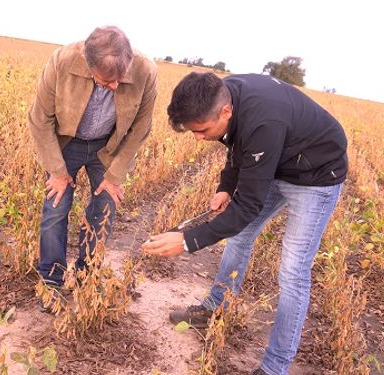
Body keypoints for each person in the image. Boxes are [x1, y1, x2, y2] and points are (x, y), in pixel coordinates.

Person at [142, 72, 347, 375]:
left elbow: (248, 204)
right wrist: (226, 185)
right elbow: (238, 145)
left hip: (316, 175)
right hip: (276, 162)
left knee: (293, 272)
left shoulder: (264, 121)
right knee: (238, 237)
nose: (198, 138)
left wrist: (187, 241)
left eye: (201, 130)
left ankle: (274, 368)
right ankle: (214, 309)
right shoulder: (226, 92)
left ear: (225, 112)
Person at [28, 26, 157, 292]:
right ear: (88, 65)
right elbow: (40, 119)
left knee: (104, 210)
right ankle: (52, 280)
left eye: (120, 80)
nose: (115, 87)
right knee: (55, 207)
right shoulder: (62, 60)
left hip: (109, 147)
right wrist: (57, 171)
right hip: (66, 142)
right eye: (105, 82)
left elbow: (139, 129)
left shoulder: (146, 71)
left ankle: (87, 275)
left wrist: (115, 175)